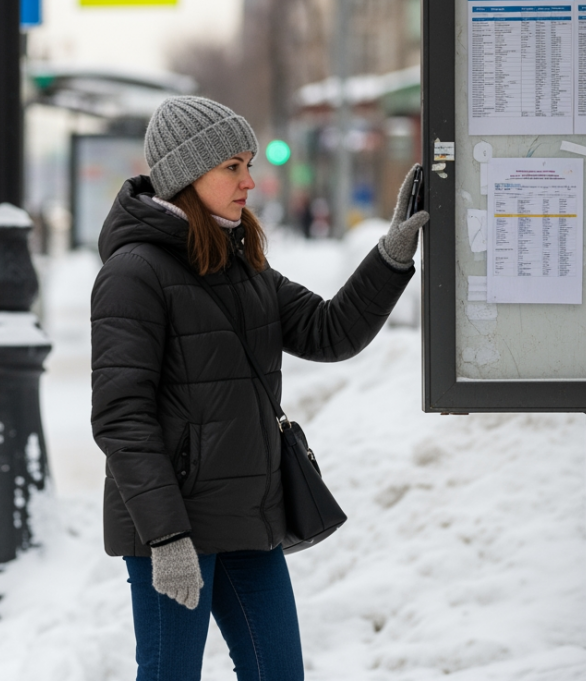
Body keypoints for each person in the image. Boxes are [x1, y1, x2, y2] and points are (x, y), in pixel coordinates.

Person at [90, 97, 428, 680]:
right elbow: (122, 418)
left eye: (247, 163)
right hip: (175, 529)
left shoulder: (240, 263)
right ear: (186, 175)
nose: (250, 180)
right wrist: (167, 536)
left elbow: (330, 331)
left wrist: (391, 256)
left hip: (249, 517)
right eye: (232, 167)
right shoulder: (133, 274)